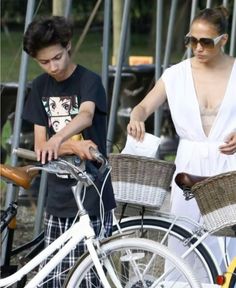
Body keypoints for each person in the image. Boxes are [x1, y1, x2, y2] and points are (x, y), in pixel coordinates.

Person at [127, 6, 236, 273]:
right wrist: (136, 117)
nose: (197, 48)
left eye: (206, 42)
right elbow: (142, 107)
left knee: (227, 242)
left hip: (229, 162)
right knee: (183, 237)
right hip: (189, 162)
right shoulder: (175, 74)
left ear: (223, 40)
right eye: (191, 40)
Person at [22, 15, 116, 287]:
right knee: (53, 278)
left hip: (93, 192)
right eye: (44, 62)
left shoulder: (89, 80)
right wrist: (73, 145)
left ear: (69, 46)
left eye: (57, 57)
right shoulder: (39, 86)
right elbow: (41, 147)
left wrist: (58, 139)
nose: (53, 66)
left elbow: (86, 115)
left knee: (89, 275)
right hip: (59, 196)